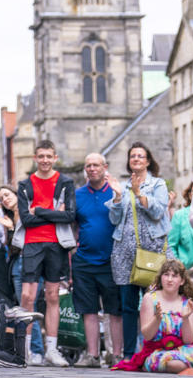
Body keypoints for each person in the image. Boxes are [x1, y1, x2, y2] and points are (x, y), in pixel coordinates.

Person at [107, 141, 171, 359]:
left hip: (151, 252)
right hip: (124, 253)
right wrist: (117, 196)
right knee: (128, 306)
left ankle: (151, 352)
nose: (136, 159)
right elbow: (114, 219)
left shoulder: (158, 184)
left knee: (152, 303)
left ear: (148, 161)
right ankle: (129, 354)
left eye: (140, 156)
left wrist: (139, 193)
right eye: (132, 156)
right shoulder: (122, 186)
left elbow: (158, 212)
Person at [17, 140, 75, 367]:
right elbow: (25, 219)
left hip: (56, 243)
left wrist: (39, 210)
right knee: (27, 297)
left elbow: (70, 215)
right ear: (35, 158)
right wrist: (53, 213)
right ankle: (28, 350)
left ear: (55, 158)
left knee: (52, 296)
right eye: (41, 156)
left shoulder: (65, 182)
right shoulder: (24, 184)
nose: (45, 160)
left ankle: (51, 349)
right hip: (32, 243)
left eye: (49, 156)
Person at [114, 259, 193, 374]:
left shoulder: (188, 303)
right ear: (161, 278)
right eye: (166, 275)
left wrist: (185, 319)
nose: (169, 279)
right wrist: (157, 319)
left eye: (174, 276)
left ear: (182, 281)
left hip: (183, 348)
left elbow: (189, 340)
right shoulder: (150, 298)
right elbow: (147, 336)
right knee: (177, 364)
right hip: (157, 350)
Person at [72, 152, 122, 368]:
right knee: (88, 309)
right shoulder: (78, 194)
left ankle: (116, 354)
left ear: (105, 167)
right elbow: (72, 225)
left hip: (112, 259)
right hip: (83, 260)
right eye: (88, 166)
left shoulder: (116, 192)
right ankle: (92, 355)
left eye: (96, 165)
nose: (92, 169)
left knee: (115, 310)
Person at [168, 180, 193, 270]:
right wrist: (177, 265)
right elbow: (171, 244)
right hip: (187, 268)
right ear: (189, 195)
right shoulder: (179, 215)